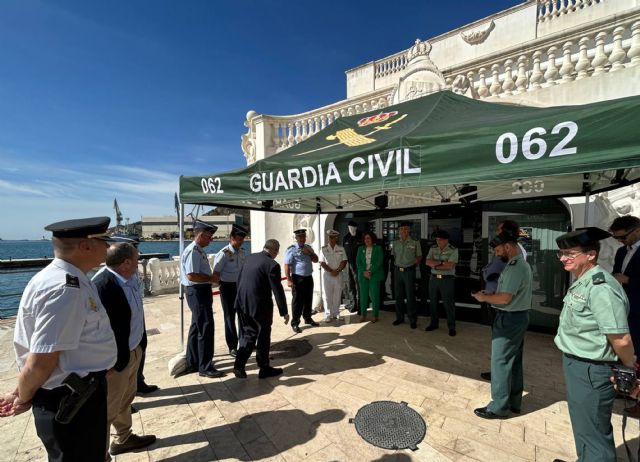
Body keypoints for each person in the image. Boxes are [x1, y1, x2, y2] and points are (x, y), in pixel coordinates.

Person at [0, 217, 117, 462]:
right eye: (104, 241)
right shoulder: (65, 289)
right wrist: (22, 397)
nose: (109, 247)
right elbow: (41, 360)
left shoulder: (73, 278)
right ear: (86, 246)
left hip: (79, 395)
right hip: (70, 403)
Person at [554, 227, 635, 462]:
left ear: (590, 254)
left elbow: (620, 338)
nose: (563, 258)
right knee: (583, 424)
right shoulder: (585, 281)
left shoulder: (601, 287)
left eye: (569, 253)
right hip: (579, 365)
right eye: (561, 253)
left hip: (591, 369)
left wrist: (629, 366)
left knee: (593, 432)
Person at [93, 243, 156, 457]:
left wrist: (140, 345)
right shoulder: (102, 286)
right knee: (109, 408)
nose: (139, 261)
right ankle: (99, 455)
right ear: (126, 262)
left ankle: (124, 438)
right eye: (137, 258)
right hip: (116, 358)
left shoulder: (130, 278)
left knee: (126, 399)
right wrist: (107, 362)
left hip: (133, 349)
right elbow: (97, 329)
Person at [471, 230, 532, 419]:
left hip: (509, 318)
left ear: (508, 246)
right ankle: (514, 402)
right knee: (513, 362)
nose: (497, 254)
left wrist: (484, 298)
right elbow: (508, 292)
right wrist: (491, 295)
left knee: (500, 362)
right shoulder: (519, 264)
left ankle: (498, 407)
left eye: (498, 250)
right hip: (517, 316)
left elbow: (505, 298)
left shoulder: (514, 266)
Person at [233, 239, 290, 379]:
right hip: (260, 306)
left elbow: (239, 279)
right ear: (275, 250)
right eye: (277, 251)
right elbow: (277, 290)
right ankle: (264, 368)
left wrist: (239, 300)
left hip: (242, 302)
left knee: (248, 334)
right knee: (263, 336)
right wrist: (284, 312)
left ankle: (239, 366)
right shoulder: (272, 265)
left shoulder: (249, 258)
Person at [479, 220, 526, 381]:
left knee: (502, 349)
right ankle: (504, 375)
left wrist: (485, 296)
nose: (497, 233)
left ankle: (500, 378)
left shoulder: (512, 257)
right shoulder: (514, 252)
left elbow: (495, 272)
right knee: (507, 349)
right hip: (504, 303)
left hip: (505, 306)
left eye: (499, 230)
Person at [179, 220, 224, 378]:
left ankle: (193, 362)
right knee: (205, 327)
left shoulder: (198, 250)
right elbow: (192, 275)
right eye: (209, 237)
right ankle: (205, 366)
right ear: (200, 235)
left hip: (198, 291)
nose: (211, 241)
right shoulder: (193, 251)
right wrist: (211, 278)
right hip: (197, 291)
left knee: (196, 327)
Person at [609, 215, 640, 417]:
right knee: (628, 350)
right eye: (617, 239)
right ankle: (625, 385)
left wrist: (628, 279)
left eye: (622, 237)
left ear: (637, 230)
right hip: (624, 310)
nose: (620, 242)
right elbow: (616, 273)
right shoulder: (621, 252)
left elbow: (626, 277)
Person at [213, 224, 249, 357]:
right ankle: (232, 346)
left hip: (240, 287)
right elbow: (216, 273)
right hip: (227, 288)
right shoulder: (223, 254)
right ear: (231, 238)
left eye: (242, 240)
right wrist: (222, 286)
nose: (240, 242)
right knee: (229, 317)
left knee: (243, 315)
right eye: (238, 239)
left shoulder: (242, 252)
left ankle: (244, 342)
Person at [284, 229, 320, 333]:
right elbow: (287, 265)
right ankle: (295, 322)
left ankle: (307, 318)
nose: (302, 239)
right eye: (300, 237)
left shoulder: (308, 248)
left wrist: (309, 254)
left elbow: (316, 260)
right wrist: (289, 280)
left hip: (308, 277)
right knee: (297, 301)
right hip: (297, 278)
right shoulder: (291, 249)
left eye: (304, 237)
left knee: (308, 299)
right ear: (296, 238)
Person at [425, 229, 459, 336]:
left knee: (448, 304)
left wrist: (435, 264)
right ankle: (434, 323)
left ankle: (451, 326)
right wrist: (442, 263)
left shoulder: (453, 249)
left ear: (446, 240)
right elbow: (427, 262)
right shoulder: (433, 248)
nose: (437, 241)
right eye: (437, 239)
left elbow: (450, 266)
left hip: (447, 280)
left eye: (440, 239)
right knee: (433, 302)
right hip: (434, 279)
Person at [391, 221, 422, 329]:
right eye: (402, 229)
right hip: (398, 272)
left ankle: (412, 319)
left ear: (409, 230)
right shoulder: (395, 243)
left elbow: (419, 256)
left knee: (410, 296)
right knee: (398, 296)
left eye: (406, 229)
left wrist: (412, 265)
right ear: (399, 230)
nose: (404, 231)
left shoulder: (415, 242)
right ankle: (399, 318)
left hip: (409, 272)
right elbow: (394, 255)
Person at [320, 229, 348, 322]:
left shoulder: (341, 248)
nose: (331, 239)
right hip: (328, 275)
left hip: (338, 274)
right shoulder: (323, 249)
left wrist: (338, 270)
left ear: (336, 238)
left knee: (337, 294)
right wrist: (331, 271)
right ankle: (328, 314)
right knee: (327, 295)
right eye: (330, 237)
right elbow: (322, 262)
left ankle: (336, 313)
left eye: (333, 237)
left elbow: (344, 261)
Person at [357, 231, 384, 323]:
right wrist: (364, 271)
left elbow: (379, 262)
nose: (366, 240)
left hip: (374, 275)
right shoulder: (360, 249)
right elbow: (358, 262)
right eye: (365, 239)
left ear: (372, 239)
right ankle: (363, 315)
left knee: (374, 296)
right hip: (363, 275)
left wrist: (370, 271)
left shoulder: (378, 248)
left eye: (368, 238)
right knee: (363, 296)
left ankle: (375, 315)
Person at [343, 221, 363, 313]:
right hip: (348, 265)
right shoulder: (346, 238)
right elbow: (343, 252)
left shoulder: (361, 237)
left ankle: (360, 305)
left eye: (353, 227)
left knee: (359, 285)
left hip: (358, 265)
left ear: (356, 228)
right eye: (350, 227)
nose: (352, 229)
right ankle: (353, 304)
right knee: (350, 285)